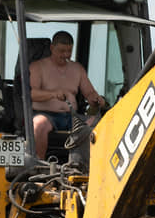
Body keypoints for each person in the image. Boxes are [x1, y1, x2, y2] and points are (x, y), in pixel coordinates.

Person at [29, 31, 107, 159]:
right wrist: (53, 94)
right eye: (61, 51)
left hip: (72, 117)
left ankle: (89, 165)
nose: (66, 55)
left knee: (99, 123)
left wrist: (96, 99)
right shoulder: (38, 67)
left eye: (69, 51)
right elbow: (32, 94)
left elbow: (89, 93)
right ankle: (38, 163)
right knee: (38, 124)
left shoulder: (77, 69)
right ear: (52, 48)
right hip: (46, 115)